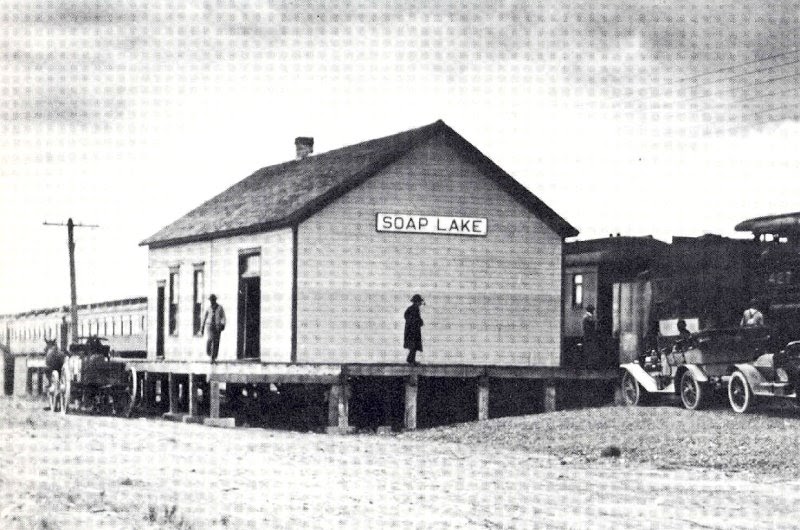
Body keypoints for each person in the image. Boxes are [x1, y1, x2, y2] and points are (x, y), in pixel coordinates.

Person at [202, 294, 226, 363]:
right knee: (210, 339)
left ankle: (213, 358)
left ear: (215, 300)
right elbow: (204, 318)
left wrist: (223, 324)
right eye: (210, 300)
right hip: (209, 326)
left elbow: (223, 317)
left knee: (216, 342)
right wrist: (202, 327)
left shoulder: (220, 308)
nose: (211, 301)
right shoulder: (208, 308)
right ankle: (209, 353)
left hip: (217, 326)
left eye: (213, 300)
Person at [404, 294, 424, 365]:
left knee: (414, 346)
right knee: (413, 346)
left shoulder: (415, 308)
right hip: (412, 331)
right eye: (419, 302)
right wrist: (417, 322)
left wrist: (419, 321)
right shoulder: (413, 308)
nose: (420, 303)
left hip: (413, 330)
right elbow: (407, 316)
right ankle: (411, 360)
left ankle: (411, 360)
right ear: (416, 302)